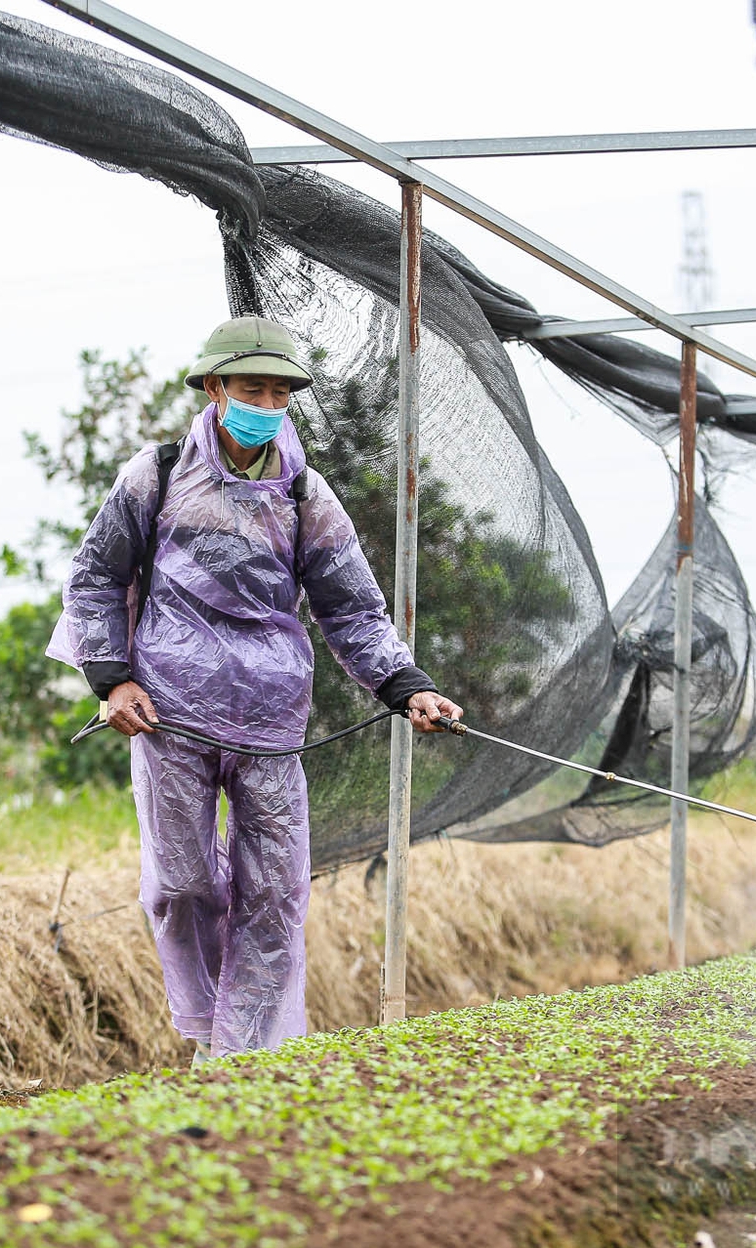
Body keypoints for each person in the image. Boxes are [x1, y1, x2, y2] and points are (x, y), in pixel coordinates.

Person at [47, 316, 461, 1063]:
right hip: (167, 715)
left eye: (279, 390)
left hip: (270, 720)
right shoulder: (160, 472)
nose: (265, 402)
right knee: (181, 885)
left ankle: (246, 1060)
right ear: (215, 388)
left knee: (273, 894)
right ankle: (213, 1033)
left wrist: (407, 686)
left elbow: (353, 606)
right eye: (250, 387)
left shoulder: (306, 492)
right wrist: (111, 679)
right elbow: (96, 576)